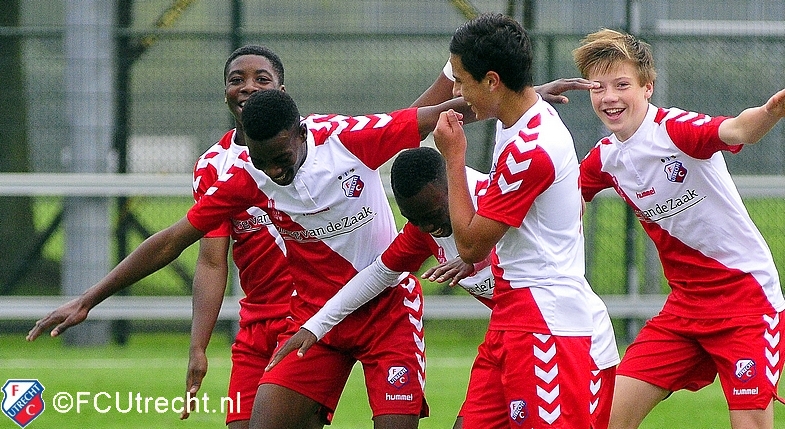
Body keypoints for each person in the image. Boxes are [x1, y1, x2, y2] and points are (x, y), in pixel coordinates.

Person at [267, 146, 620, 429]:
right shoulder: (425, 230)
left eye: (435, 214)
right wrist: (316, 325)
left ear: (453, 185)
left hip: (572, 342)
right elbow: (377, 274)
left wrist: (477, 254)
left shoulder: (494, 198)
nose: (429, 228)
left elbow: (560, 232)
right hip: (510, 342)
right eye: (415, 219)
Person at [572, 28, 785, 429]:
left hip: (746, 302)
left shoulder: (675, 131)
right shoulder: (604, 159)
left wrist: (771, 112)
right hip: (685, 310)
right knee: (606, 418)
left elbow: (739, 130)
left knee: (751, 424)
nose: (609, 97)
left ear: (647, 87)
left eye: (622, 85)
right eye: (598, 88)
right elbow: (567, 203)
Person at [433, 13, 598, 428]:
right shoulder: (519, 120)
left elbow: (470, 245)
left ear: (491, 81)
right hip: (514, 313)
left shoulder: (530, 147)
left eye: (460, 80)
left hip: (544, 322)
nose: (455, 92)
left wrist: (454, 158)